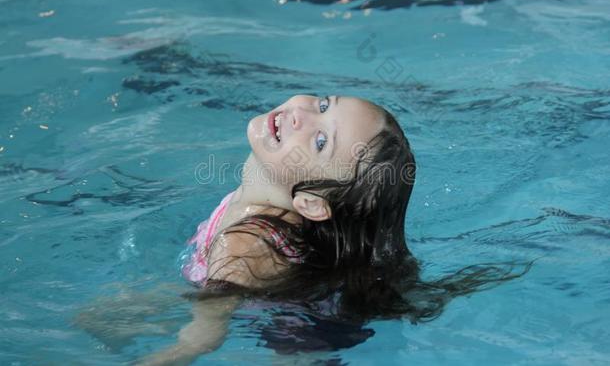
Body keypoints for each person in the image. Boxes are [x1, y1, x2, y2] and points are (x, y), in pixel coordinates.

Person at [138, 95, 532, 366]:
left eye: (321, 140)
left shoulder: (246, 247)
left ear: (310, 203)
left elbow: (204, 334)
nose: (302, 115)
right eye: (325, 104)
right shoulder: (273, 180)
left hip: (301, 336)